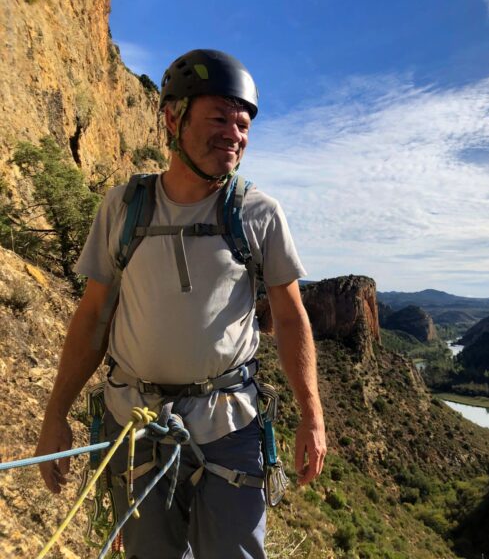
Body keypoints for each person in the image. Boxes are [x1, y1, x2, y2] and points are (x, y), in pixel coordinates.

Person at [34, 49, 326, 559]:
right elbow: (92, 317)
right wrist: (54, 415)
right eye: (219, 118)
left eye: (243, 124)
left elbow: (290, 316)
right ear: (172, 118)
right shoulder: (123, 208)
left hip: (229, 426)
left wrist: (312, 415)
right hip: (137, 427)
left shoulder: (258, 213)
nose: (235, 134)